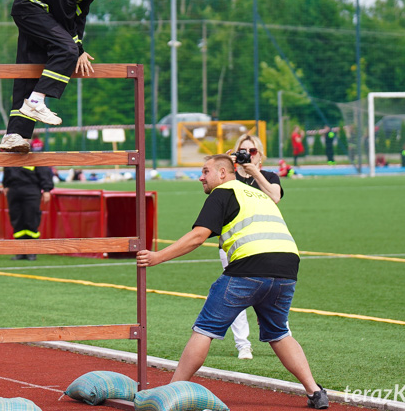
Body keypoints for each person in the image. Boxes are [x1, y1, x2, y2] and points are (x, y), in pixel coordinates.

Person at [135, 155, 328, 409]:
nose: (201, 177)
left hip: (250, 268)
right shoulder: (257, 194)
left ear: (223, 173)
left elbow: (198, 236)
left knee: (204, 329)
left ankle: (172, 391)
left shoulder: (223, 192)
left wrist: (158, 256)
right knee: (279, 333)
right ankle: (315, 391)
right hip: (287, 269)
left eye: (205, 171)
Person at [0, 0, 131, 153]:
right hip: (30, 7)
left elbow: (79, 17)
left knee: (31, 73)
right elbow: (65, 18)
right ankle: (35, 101)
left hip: (42, 14)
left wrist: (81, 49)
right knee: (67, 50)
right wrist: (77, 50)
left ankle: (14, 136)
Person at [223, 134, 284, 360]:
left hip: (266, 245)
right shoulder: (229, 178)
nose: (247, 154)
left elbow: (275, 197)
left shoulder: (268, 176)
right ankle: (243, 344)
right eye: (243, 150)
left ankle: (280, 337)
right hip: (235, 246)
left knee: (271, 293)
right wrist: (228, 164)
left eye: (253, 151)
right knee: (236, 296)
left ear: (260, 156)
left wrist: (254, 172)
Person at [3, 165, 54, 261]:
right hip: (14, 190)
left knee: (31, 219)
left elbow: (44, 172)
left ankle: (31, 251)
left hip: (31, 190)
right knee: (16, 220)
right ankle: (20, 252)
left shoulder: (33, 157)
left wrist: (47, 190)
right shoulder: (11, 158)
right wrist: (5, 185)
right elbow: (7, 172)